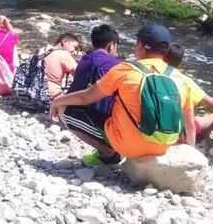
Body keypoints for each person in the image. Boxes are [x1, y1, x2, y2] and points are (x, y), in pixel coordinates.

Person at [50, 24, 196, 166]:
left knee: (65, 108)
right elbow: (190, 127)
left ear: (139, 45)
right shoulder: (181, 79)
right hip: (163, 147)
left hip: (128, 146)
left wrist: (57, 102)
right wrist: (189, 158)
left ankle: (108, 154)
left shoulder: (125, 69)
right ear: (166, 50)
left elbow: (85, 97)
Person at [162, 43, 213, 139]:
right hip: (175, 133)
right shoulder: (184, 80)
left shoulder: (148, 73)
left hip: (148, 129)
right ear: (179, 63)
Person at [63, 25, 121, 123]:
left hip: (71, 111)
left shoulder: (84, 59)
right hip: (97, 119)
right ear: (111, 45)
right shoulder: (114, 64)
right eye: (116, 46)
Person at [44, 33, 81, 100]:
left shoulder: (42, 51)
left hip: (33, 93)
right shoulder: (64, 54)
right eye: (75, 48)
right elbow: (81, 74)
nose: (75, 53)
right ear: (64, 41)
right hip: (50, 96)